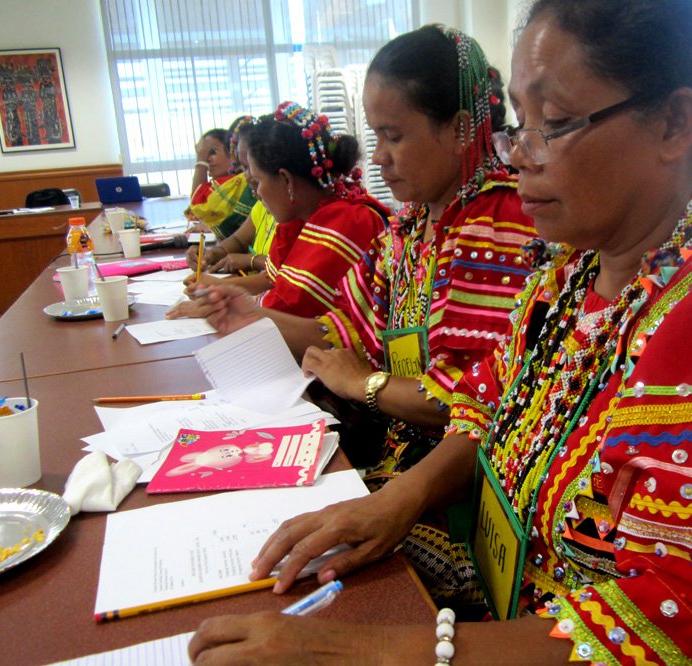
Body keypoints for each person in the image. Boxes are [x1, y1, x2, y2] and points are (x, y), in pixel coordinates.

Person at [188, 2, 692, 665]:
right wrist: (396, 502)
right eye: (517, 123)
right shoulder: (566, 283)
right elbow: (485, 409)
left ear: (675, 124)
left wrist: (375, 652)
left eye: (552, 122)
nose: (518, 154)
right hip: (522, 608)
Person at [195, 25, 539, 489]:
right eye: (376, 136)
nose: (378, 157)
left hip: (456, 488)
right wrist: (252, 318)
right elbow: (343, 332)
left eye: (393, 136)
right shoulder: (408, 228)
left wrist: (364, 385)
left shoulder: (502, 225)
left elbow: (468, 402)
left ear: (459, 129)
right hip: (396, 459)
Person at [170, 103, 389, 319]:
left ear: (286, 179)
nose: (255, 193)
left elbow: (289, 306)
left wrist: (220, 306)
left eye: (256, 181)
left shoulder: (347, 222)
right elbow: (277, 282)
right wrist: (220, 291)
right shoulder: (303, 216)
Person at [185, 120, 279, 297]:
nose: (247, 176)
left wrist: (250, 262)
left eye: (250, 167)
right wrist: (212, 254)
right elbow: (238, 240)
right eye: (243, 167)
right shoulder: (262, 203)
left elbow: (284, 274)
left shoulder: (290, 209)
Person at [186, 116, 259, 240]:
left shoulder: (244, 185)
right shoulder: (230, 186)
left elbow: (198, 203)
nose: (207, 159)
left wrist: (201, 161)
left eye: (212, 152)